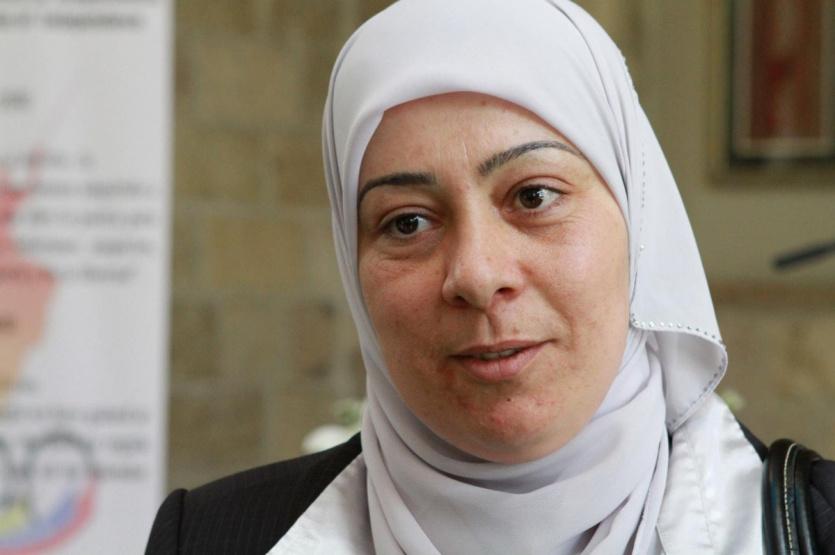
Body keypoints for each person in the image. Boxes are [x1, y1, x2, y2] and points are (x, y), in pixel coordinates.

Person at [145, 1, 835, 553]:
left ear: (636, 218)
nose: (476, 275)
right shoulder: (210, 539)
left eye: (533, 196)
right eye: (406, 223)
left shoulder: (813, 529)